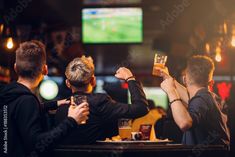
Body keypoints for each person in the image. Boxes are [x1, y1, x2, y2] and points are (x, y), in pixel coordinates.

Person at [0, 40, 89, 157]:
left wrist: (54, 104)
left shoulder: (8, 94)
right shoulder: (27, 101)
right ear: (45, 69)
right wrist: (72, 120)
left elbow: (19, 113)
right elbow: (39, 144)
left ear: (16, 68)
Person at [55, 56, 149, 144]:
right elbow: (141, 108)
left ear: (68, 83)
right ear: (93, 80)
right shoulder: (100, 101)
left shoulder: (60, 107)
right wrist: (130, 78)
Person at [155, 55, 230, 146]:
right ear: (210, 83)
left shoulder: (201, 99)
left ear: (185, 79)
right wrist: (167, 77)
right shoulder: (209, 97)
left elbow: (184, 123)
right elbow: (190, 98)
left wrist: (171, 92)